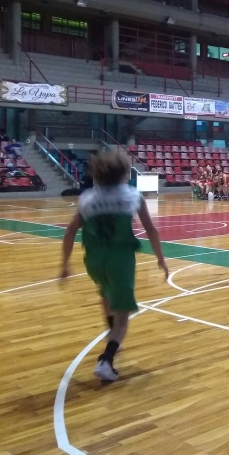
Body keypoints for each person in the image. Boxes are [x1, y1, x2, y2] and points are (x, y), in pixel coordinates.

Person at [60, 151, 168, 382]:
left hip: (94, 260)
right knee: (123, 320)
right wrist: (161, 258)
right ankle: (106, 360)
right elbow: (151, 230)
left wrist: (64, 264)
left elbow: (70, 231)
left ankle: (110, 336)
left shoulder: (87, 198)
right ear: (124, 174)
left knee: (105, 293)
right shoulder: (132, 196)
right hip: (120, 260)